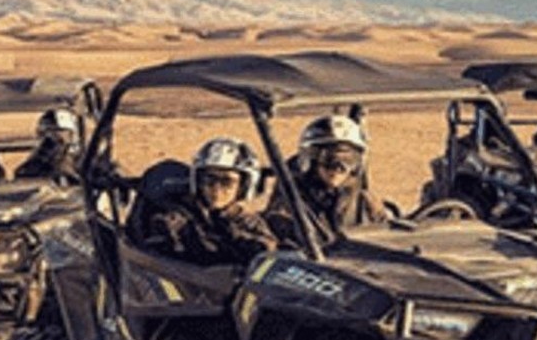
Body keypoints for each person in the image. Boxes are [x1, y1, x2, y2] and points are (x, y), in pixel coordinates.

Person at [138, 137, 277, 266]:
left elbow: (268, 254)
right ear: (198, 181)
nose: (216, 188)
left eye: (227, 182)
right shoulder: (180, 217)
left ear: (243, 186)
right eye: (210, 179)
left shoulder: (248, 222)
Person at [267, 114, 389, 245]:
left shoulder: (366, 204)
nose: (337, 169)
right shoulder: (288, 206)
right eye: (329, 159)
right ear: (310, 161)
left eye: (347, 160)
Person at [15, 107, 83, 185]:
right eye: (49, 133)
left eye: (61, 131)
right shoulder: (33, 166)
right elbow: (22, 178)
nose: (54, 137)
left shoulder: (84, 161)